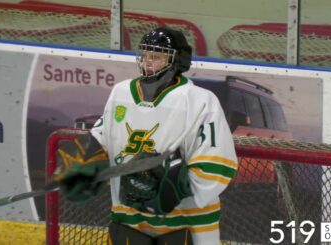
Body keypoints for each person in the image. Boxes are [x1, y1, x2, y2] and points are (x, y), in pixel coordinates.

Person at [58, 27, 238, 245]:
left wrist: (171, 191)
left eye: (156, 56)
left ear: (177, 61)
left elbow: (217, 164)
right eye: (145, 55)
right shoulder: (121, 92)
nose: (148, 62)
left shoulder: (200, 101)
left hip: (187, 225)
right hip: (129, 219)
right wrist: (86, 166)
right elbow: (102, 138)